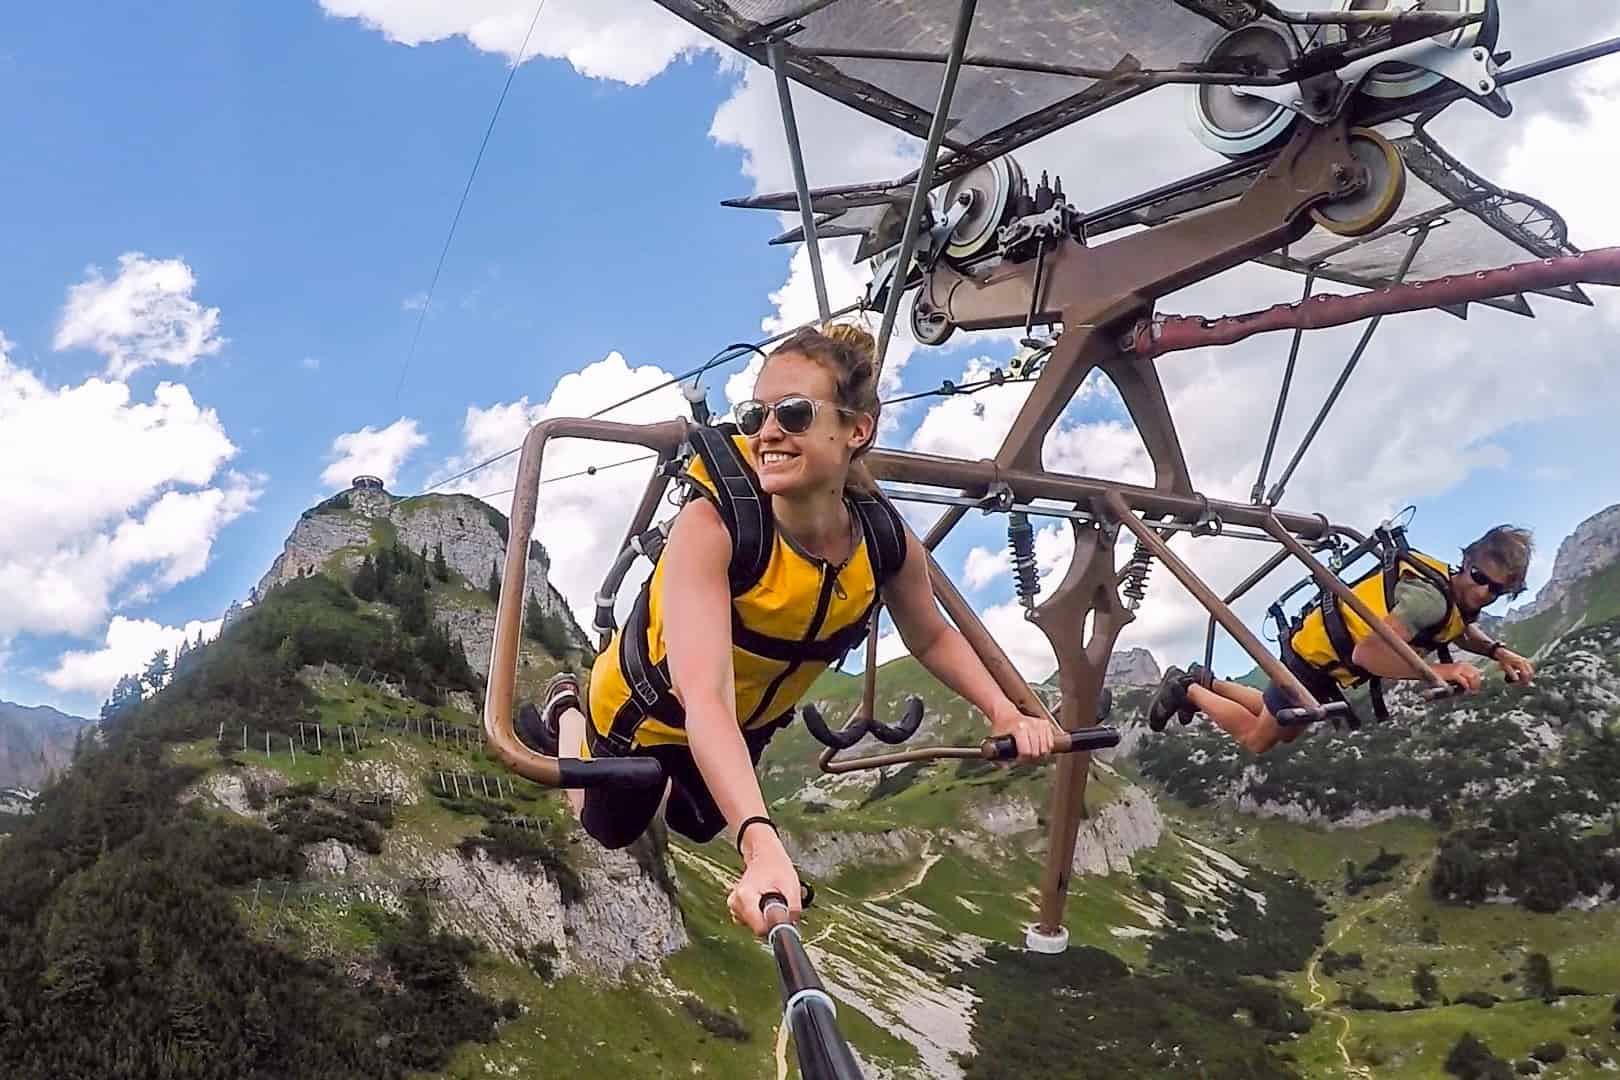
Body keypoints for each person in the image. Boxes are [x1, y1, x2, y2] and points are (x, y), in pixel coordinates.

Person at [515, 324, 1057, 935]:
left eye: (794, 414)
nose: (769, 432)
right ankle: (566, 711)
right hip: (648, 712)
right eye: (755, 415)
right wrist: (761, 843)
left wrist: (1003, 712)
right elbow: (705, 696)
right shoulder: (713, 528)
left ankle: (649, 767)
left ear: (857, 429)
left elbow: (930, 635)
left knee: (696, 822)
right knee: (609, 828)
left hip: (741, 722)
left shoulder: (881, 540)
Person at [1148, 524, 1537, 754]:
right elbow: (1368, 654)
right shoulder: (1428, 600)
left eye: (1497, 591)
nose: (1484, 592)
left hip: (1325, 663)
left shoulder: (1453, 599)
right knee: (1257, 740)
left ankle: (1207, 681)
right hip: (1315, 659)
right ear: (1467, 562)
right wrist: (1438, 670)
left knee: (1285, 727)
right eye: (1480, 578)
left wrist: (1497, 651)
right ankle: (1188, 688)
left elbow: (1460, 628)